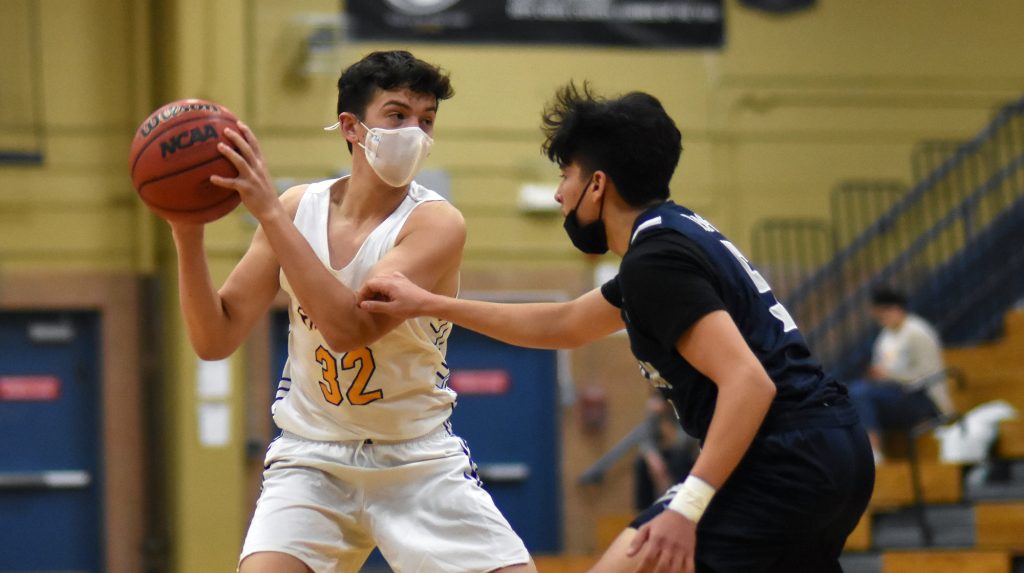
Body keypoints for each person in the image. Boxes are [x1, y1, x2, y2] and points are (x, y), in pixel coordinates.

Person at [358, 82, 875, 573]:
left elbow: (749, 383)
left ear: (597, 184)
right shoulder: (672, 235)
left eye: (566, 175)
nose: (560, 194)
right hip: (830, 449)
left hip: (785, 459)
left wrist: (687, 506)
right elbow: (563, 323)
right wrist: (430, 303)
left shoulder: (657, 260)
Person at [169, 50, 533, 573]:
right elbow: (215, 337)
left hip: (414, 459)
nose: (415, 131)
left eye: (426, 120)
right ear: (351, 126)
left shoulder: (435, 223)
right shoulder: (299, 208)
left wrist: (269, 213)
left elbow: (349, 330)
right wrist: (187, 232)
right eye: (397, 115)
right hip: (312, 458)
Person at [848, 287, 954, 462]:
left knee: (861, 393)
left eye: (883, 316)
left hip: (923, 399)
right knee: (852, 391)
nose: (881, 321)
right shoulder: (885, 337)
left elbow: (929, 374)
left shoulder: (917, 332)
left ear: (896, 309)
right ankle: (865, 447)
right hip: (895, 395)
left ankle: (873, 450)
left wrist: (889, 375)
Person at [634, 395, 698, 511]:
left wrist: (666, 420)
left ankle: (680, 507)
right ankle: (643, 511)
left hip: (687, 454)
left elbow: (687, 442)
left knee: (679, 461)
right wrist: (653, 458)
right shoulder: (655, 409)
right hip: (666, 452)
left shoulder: (685, 406)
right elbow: (646, 440)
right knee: (641, 464)